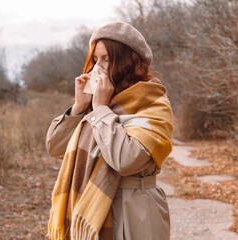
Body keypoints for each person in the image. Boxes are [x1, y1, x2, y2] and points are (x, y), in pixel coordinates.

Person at [46, 22, 174, 240]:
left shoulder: (153, 103)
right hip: (90, 208)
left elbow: (126, 160)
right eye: (95, 59)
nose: (98, 68)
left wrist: (101, 110)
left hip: (134, 214)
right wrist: (78, 107)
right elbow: (56, 147)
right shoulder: (97, 103)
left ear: (127, 61)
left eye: (106, 59)